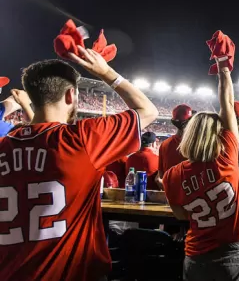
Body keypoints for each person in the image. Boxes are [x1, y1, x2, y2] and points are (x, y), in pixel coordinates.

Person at [0, 47, 158, 281]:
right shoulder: (82, 138)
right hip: (71, 273)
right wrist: (106, 72)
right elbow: (148, 110)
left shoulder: (4, 144)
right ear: (71, 96)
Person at [163, 57, 239, 281]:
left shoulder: (172, 175)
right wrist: (224, 68)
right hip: (233, 249)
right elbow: (227, 104)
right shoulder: (226, 157)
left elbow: (180, 214)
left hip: (196, 252)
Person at [155, 104, 194, 190]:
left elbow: (160, 177)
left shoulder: (164, 144)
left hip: (170, 195)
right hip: (191, 196)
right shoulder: (195, 144)